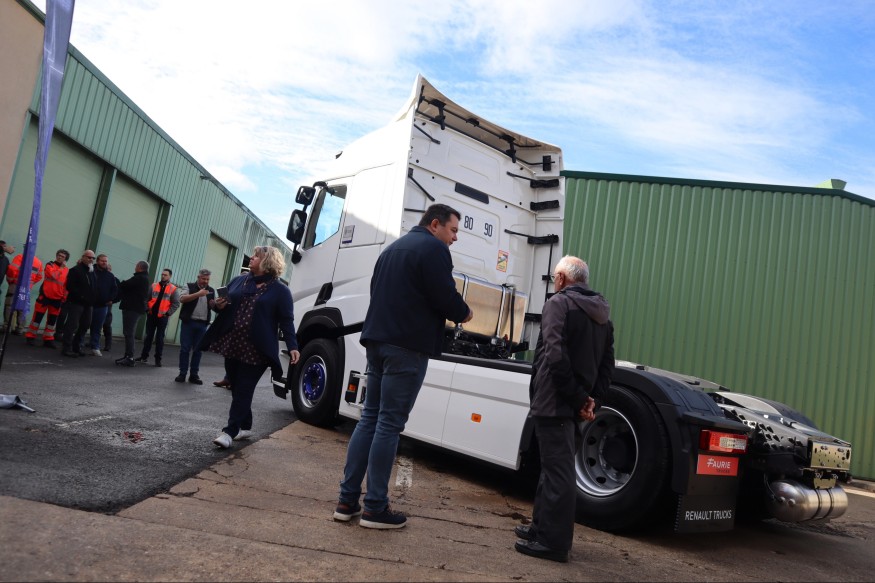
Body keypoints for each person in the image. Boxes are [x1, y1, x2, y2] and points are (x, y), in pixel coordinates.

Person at [334, 203, 472, 529]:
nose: (454, 238)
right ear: (435, 224)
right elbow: (444, 296)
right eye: (453, 230)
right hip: (407, 347)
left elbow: (377, 292)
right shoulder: (434, 250)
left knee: (369, 418)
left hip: (377, 342)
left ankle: (347, 501)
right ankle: (375, 507)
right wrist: (465, 312)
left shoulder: (391, 250)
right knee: (389, 424)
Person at [513, 256, 614, 563]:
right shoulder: (602, 312)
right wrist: (592, 399)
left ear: (561, 279)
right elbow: (606, 364)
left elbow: (555, 356)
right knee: (552, 468)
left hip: (554, 401)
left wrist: (577, 398)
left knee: (558, 473)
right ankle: (540, 529)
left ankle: (553, 544)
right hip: (572, 404)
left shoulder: (559, 304)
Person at [201, 246, 299, 448]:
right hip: (233, 343)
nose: (251, 258)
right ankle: (245, 426)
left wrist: (293, 345)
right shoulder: (239, 280)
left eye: (256, 256)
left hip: (257, 349)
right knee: (237, 387)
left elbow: (286, 320)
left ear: (267, 262)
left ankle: (229, 432)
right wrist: (218, 305)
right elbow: (223, 306)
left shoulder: (280, 291)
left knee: (244, 388)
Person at [175, 268, 215, 384]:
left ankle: (194, 375)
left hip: (202, 324)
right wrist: (198, 294)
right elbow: (182, 299)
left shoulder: (211, 290)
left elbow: (212, 307)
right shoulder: (189, 286)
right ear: (198, 277)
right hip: (189, 323)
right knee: (185, 349)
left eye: (207, 279)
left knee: (198, 351)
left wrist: (216, 304)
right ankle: (182, 373)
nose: (205, 281)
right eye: (203, 279)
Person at [24, 249, 70, 348]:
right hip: (45, 296)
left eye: (62, 256)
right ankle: (30, 337)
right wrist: (61, 268)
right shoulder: (50, 265)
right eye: (59, 255)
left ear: (66, 259)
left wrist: (64, 297)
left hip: (57, 299)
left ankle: (48, 339)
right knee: (37, 318)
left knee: (51, 322)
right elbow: (54, 276)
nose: (59, 257)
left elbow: (66, 286)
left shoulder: (67, 270)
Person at [136, 268, 180, 366]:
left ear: (170, 276)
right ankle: (144, 357)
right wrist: (147, 309)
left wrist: (168, 313)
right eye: (162, 274)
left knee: (160, 339)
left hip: (163, 317)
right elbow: (146, 298)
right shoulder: (154, 285)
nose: (163, 276)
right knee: (148, 337)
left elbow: (176, 303)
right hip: (152, 315)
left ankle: (158, 359)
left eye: (165, 275)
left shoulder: (173, 289)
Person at [60, 250, 96, 357]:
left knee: (85, 324)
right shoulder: (75, 270)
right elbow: (70, 286)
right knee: (72, 325)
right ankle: (66, 348)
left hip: (88, 304)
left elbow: (94, 287)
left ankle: (77, 346)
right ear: (83, 257)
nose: (91, 259)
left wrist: (93, 298)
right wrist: (81, 296)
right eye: (89, 257)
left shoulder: (91, 272)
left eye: (93, 258)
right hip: (76, 303)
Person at [115, 260, 151, 367]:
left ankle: (130, 357)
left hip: (132, 309)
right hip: (134, 308)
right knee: (128, 332)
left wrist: (115, 280)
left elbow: (124, 285)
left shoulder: (139, 278)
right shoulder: (143, 278)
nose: (135, 267)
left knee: (129, 333)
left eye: (136, 266)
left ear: (140, 267)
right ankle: (127, 356)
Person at [4, 249, 43, 335]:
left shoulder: (20, 257)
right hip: (26, 288)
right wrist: (30, 284)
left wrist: (10, 280)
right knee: (22, 307)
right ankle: (20, 328)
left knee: (9, 305)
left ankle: (7, 327)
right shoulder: (38, 262)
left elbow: (12, 269)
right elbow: (39, 276)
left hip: (16, 284)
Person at [87, 254, 118, 357]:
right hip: (89, 304)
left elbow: (115, 289)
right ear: (97, 261)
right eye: (102, 261)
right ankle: (78, 345)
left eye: (106, 261)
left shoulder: (110, 276)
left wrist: (110, 299)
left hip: (102, 306)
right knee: (83, 325)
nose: (104, 263)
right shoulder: (91, 272)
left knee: (97, 328)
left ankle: (95, 347)